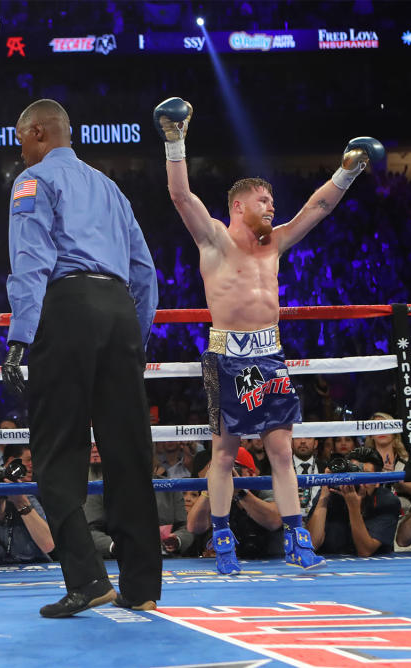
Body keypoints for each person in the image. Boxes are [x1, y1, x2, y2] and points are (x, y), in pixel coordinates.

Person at [154, 95, 384, 573]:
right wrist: (175, 142)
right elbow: (180, 197)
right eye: (264, 200)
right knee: (223, 451)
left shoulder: (275, 241)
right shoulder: (213, 239)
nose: (272, 206)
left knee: (280, 449)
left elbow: (318, 208)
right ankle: (221, 537)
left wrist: (348, 171)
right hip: (227, 354)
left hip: (269, 351)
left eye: (273, 201)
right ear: (239, 205)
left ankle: (298, 537)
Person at [1, 99, 161, 616]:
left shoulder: (34, 182)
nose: (21, 150)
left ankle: (88, 579)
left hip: (67, 307)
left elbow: (32, 256)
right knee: (128, 451)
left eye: (22, 139)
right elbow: (145, 272)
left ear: (39, 133)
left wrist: (20, 337)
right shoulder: (111, 189)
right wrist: (133, 338)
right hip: (119, 312)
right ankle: (142, 587)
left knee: (57, 452)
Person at [306, 447, 401, 556]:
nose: (358, 480)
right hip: (331, 567)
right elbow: (312, 544)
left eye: (365, 475)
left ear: (377, 482)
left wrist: (353, 507)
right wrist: (324, 496)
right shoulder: (331, 492)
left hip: (373, 569)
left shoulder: (386, 501)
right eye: (354, 472)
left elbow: (365, 551)